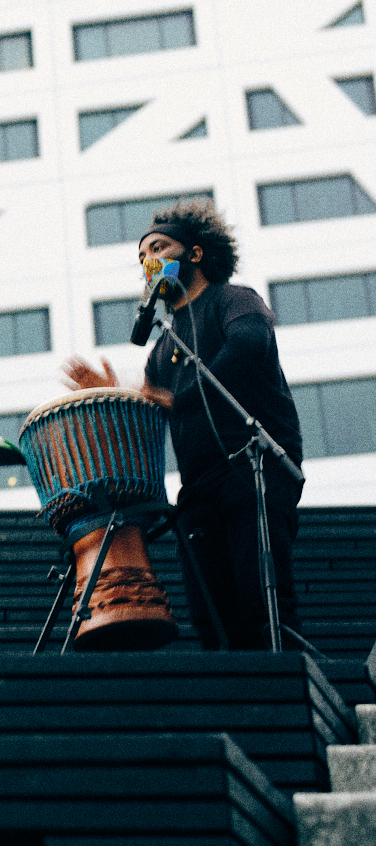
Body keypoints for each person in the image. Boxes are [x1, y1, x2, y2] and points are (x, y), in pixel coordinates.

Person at [62, 198, 303, 650]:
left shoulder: (233, 300)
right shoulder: (160, 349)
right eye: (141, 257)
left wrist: (176, 397)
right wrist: (110, 396)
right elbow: (151, 411)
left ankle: (284, 703)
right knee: (212, 618)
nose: (148, 261)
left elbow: (249, 345)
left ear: (195, 253)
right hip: (199, 489)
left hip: (254, 469)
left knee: (263, 607)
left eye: (158, 248)